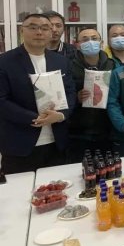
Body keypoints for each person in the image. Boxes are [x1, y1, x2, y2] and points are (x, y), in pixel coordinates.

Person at [0, 13, 76, 174]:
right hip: (20, 143)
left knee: (59, 186)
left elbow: (70, 93)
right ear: (22, 31)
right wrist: (34, 118)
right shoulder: (4, 61)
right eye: (33, 27)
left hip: (57, 143)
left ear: (51, 32)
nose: (39, 32)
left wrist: (61, 115)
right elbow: (2, 100)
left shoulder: (61, 61)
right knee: (20, 189)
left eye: (44, 28)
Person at [68, 27, 115, 163]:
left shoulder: (112, 65)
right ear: (77, 44)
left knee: (106, 168)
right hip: (78, 131)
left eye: (94, 39)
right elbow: (62, 94)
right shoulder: (68, 65)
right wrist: (76, 98)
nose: (90, 42)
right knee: (80, 168)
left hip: (106, 129)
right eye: (85, 39)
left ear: (101, 42)